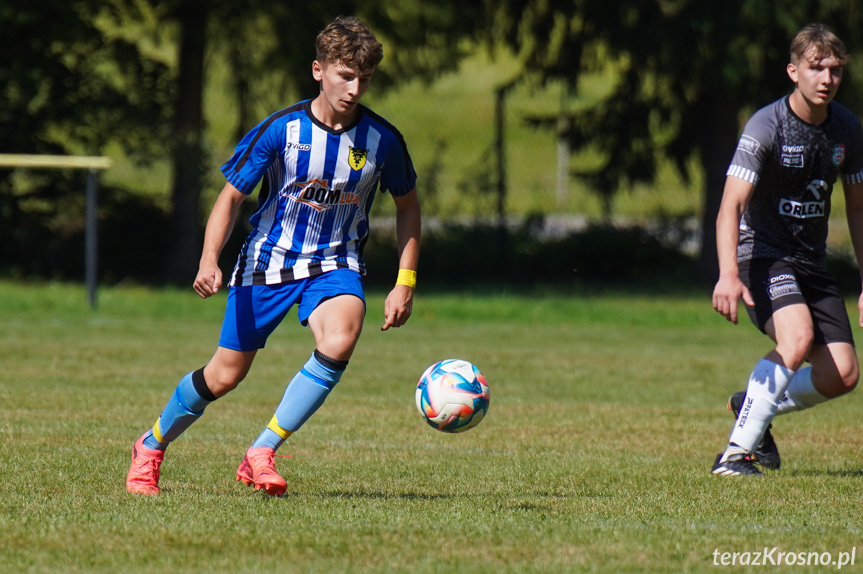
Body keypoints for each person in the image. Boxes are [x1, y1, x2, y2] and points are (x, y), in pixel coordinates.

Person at [126, 16, 421, 495]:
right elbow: (230, 199)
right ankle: (152, 445)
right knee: (224, 376)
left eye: (364, 78)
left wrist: (404, 282)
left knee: (342, 335)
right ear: (318, 70)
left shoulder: (383, 141)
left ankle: (261, 451)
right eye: (346, 75)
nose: (354, 88)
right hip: (267, 261)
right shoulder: (281, 131)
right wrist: (208, 260)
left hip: (334, 263)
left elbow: (408, 208)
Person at [711, 23, 863, 477]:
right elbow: (730, 206)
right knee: (795, 339)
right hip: (762, 254)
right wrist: (727, 274)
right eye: (817, 68)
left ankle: (753, 405)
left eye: (835, 70)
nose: (827, 79)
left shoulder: (848, 131)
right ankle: (735, 455)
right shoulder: (767, 125)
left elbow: (858, 210)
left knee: (843, 375)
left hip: (809, 263)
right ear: (793, 71)